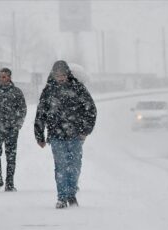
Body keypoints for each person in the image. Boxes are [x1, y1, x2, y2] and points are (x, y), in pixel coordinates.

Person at [34, 60, 97, 209]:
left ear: (67, 74)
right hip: (56, 135)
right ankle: (62, 197)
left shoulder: (78, 89)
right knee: (61, 166)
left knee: (74, 166)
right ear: (53, 75)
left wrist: (85, 130)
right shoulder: (48, 91)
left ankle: (71, 193)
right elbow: (40, 114)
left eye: (63, 75)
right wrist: (39, 135)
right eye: (58, 75)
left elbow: (91, 110)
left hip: (75, 135)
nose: (60, 78)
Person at [0, 67, 27, 192]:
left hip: (11, 129)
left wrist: (18, 124)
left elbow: (23, 109)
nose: (1, 78)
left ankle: (10, 183)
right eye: (0, 76)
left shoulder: (16, 92)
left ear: (9, 77)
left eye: (4, 76)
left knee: (11, 156)